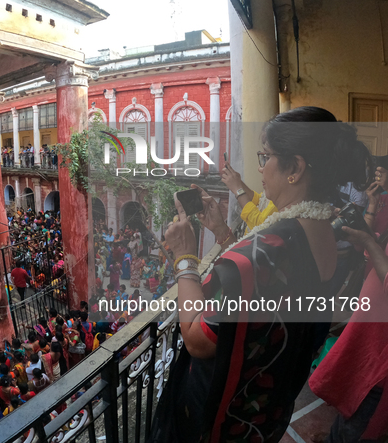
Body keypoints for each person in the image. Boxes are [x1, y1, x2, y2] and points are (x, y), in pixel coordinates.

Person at [150, 107, 373, 442]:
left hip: (225, 411)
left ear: (295, 167)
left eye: (265, 156)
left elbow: (197, 338)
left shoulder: (272, 247)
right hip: (268, 404)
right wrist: (223, 232)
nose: (259, 167)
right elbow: (263, 290)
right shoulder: (324, 230)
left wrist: (185, 256)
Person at [309, 223, 388, 442]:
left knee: (360, 411)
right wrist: (368, 239)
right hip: (368, 335)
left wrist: (369, 243)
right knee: (350, 400)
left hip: (380, 353)